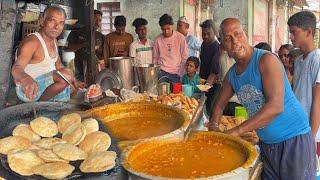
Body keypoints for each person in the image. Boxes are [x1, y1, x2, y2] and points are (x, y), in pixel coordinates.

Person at [209, 18, 316, 179]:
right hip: (267, 144)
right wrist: (213, 126)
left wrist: (235, 131)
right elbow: (218, 106)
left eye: (237, 34)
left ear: (245, 34)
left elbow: (276, 106)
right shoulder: (232, 75)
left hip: (293, 141)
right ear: (223, 47)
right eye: (227, 38)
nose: (234, 41)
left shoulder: (266, 60)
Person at [12, 6, 79, 102]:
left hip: (46, 89)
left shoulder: (54, 41)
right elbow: (16, 68)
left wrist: (74, 80)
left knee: (69, 76)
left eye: (61, 23)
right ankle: (38, 107)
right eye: (52, 21)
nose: (56, 27)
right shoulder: (32, 42)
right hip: (29, 90)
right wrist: (26, 79)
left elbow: (59, 66)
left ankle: (52, 109)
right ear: (42, 21)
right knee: (64, 77)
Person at [288, 11, 320, 154]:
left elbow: (317, 102)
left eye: (294, 32)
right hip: (297, 127)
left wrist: (311, 138)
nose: (291, 36)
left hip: (312, 133)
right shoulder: (299, 61)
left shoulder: (317, 60)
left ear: (308, 32)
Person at [67, 10, 104, 82]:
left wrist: (97, 50)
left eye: (99, 20)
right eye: (95, 19)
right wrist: (83, 44)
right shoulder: (77, 32)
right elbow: (69, 48)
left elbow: (103, 54)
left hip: (96, 70)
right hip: (80, 70)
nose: (97, 22)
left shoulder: (100, 36)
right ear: (89, 19)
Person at [153, 14, 188, 83]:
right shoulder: (157, 40)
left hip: (176, 74)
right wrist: (156, 72)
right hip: (161, 73)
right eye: (163, 29)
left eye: (168, 28)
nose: (166, 31)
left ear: (172, 26)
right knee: (162, 93)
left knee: (176, 93)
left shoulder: (180, 38)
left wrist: (179, 73)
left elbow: (184, 57)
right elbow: (155, 58)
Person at [199, 19, 220, 114]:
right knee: (206, 107)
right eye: (203, 34)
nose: (205, 36)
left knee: (212, 108)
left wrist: (207, 85)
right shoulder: (203, 44)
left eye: (208, 33)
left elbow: (214, 71)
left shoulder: (217, 47)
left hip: (214, 84)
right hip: (205, 82)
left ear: (214, 32)